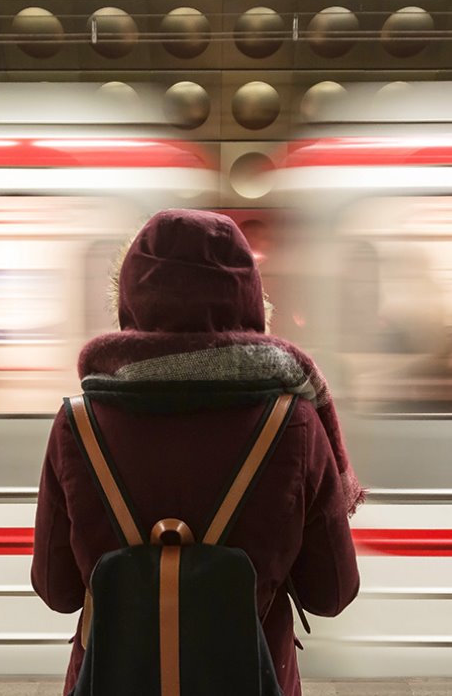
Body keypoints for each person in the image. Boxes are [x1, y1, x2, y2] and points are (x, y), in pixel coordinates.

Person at [31, 209, 362, 696]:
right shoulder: (294, 423)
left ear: (131, 299)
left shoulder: (77, 424)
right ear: (249, 298)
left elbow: (56, 590)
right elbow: (332, 593)